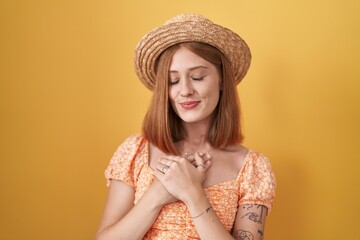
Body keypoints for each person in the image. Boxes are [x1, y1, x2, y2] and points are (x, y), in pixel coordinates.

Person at [96, 14, 276, 240]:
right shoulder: (134, 151)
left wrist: (192, 193)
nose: (185, 90)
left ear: (221, 81)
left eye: (198, 77)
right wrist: (158, 193)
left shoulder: (252, 168)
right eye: (173, 81)